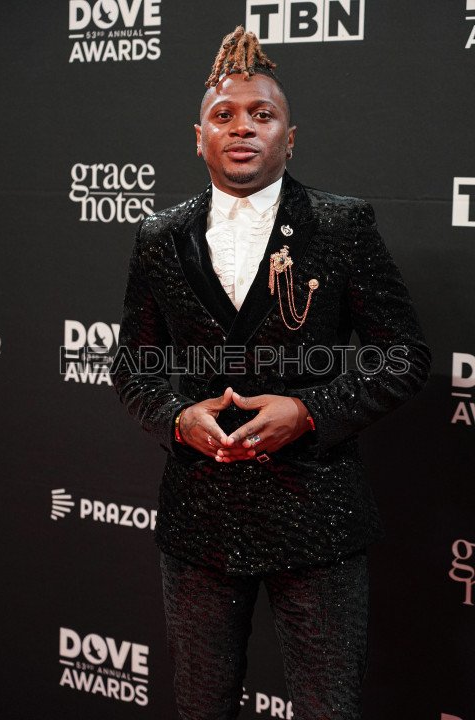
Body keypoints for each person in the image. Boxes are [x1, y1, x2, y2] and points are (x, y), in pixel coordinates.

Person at [112, 25, 431, 720]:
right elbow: (133, 368)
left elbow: (404, 355)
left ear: (290, 137)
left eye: (262, 114)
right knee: (201, 708)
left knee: (326, 710)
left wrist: (309, 412)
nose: (242, 127)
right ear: (198, 137)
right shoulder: (159, 238)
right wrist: (177, 419)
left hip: (319, 516)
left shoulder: (341, 226)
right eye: (223, 115)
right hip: (199, 518)